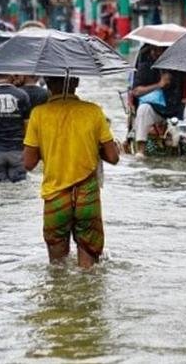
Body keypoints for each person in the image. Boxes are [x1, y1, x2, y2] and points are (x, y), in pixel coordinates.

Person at [23, 75, 120, 267]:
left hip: (55, 198)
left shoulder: (39, 114)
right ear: (76, 83)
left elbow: (28, 163)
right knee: (89, 270)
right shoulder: (93, 112)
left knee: (57, 269)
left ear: (48, 83)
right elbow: (113, 157)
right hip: (87, 196)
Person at [131, 45, 186, 156]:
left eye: (159, 50)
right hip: (155, 108)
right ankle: (141, 150)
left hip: (176, 106)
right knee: (143, 109)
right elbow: (136, 91)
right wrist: (159, 84)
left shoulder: (179, 66)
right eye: (153, 49)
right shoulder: (145, 66)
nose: (155, 53)